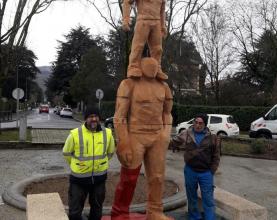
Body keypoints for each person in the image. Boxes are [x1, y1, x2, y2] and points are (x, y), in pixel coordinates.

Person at [111, 57, 173, 220]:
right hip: (136, 135)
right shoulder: (128, 84)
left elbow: (167, 113)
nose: (152, 68)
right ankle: (120, 213)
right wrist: (123, 141)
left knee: (158, 178)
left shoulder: (164, 87)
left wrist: (166, 133)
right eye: (149, 65)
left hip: (157, 136)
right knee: (129, 178)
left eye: (155, 66)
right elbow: (119, 116)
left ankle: (155, 211)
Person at [63, 107, 115, 220]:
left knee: (97, 209)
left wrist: (100, 164)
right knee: (75, 211)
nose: (94, 119)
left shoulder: (107, 133)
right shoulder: (75, 134)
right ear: (86, 118)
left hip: (99, 179)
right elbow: (66, 153)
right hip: (78, 180)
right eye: (91, 116)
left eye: (96, 116)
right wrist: (77, 165)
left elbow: (110, 152)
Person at [169, 114, 221, 220]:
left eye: (200, 123)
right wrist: (161, 139)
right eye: (196, 122)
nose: (197, 125)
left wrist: (212, 171)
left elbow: (216, 155)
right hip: (190, 171)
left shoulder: (212, 136)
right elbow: (173, 142)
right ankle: (194, 217)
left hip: (206, 172)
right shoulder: (187, 133)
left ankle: (210, 218)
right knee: (192, 197)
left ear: (205, 124)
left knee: (208, 199)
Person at [122, 0, 168, 80]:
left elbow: (162, 10)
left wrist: (163, 26)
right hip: (143, 20)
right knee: (138, 46)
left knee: (158, 49)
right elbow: (127, 2)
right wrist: (126, 19)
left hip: (156, 22)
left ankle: (157, 69)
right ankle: (133, 67)